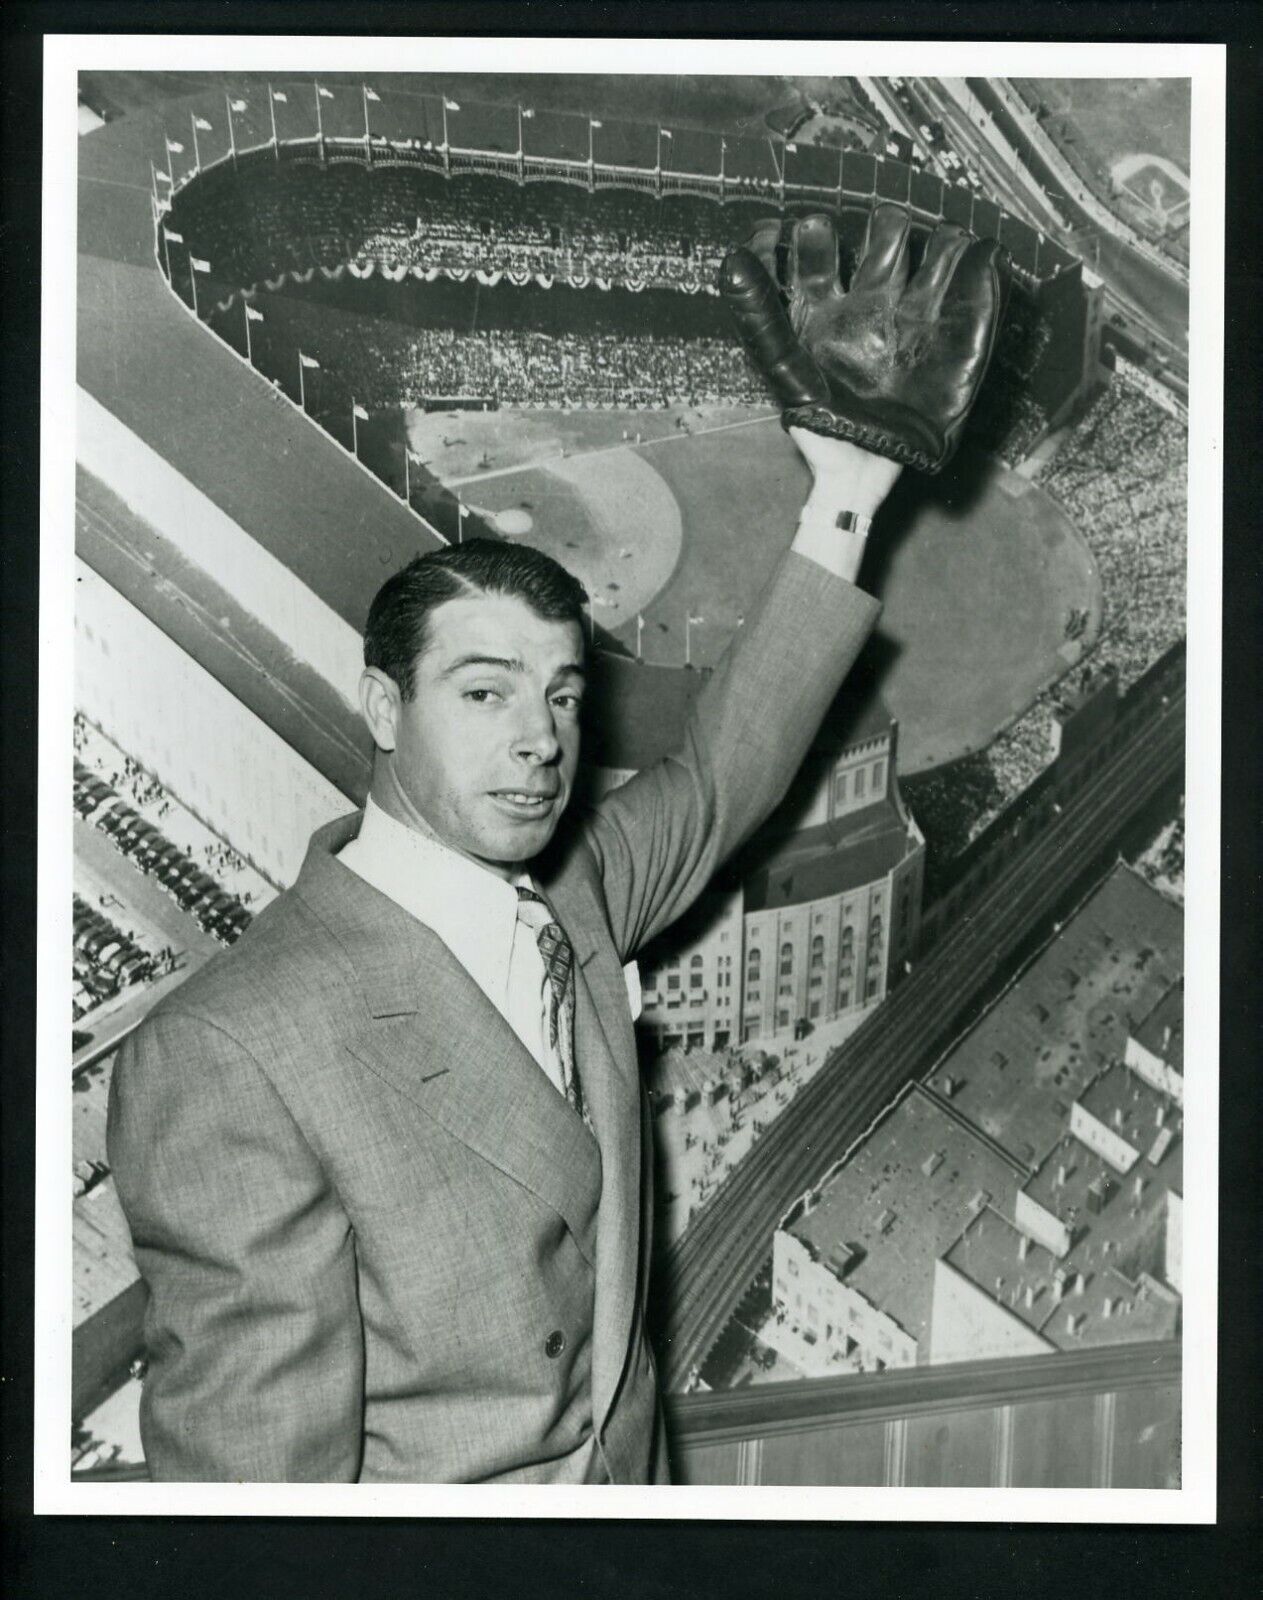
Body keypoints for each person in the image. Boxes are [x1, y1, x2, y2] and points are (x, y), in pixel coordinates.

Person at [107, 206, 1003, 1483]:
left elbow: (723, 774)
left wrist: (850, 489)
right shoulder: (224, 1057)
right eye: (483, 692)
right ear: (382, 708)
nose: (541, 740)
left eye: (564, 695)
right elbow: (261, 1511)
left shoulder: (566, 894)